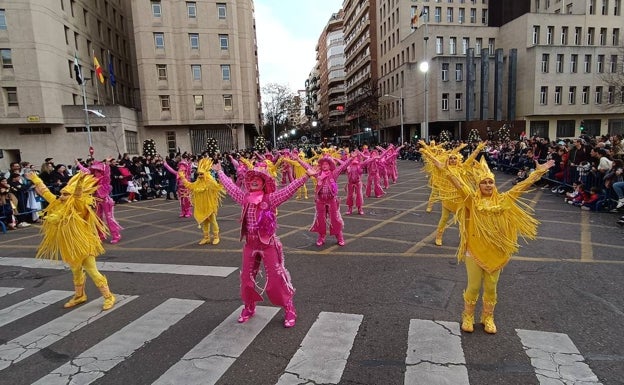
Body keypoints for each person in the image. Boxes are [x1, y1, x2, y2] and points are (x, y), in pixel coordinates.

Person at [426, 152, 554, 334]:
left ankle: (488, 317)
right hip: (475, 249)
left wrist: (537, 173)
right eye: (484, 182)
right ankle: (468, 316)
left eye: (490, 182)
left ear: (494, 184)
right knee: (474, 286)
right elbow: (458, 183)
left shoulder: (504, 199)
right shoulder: (472, 200)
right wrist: (446, 170)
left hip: (497, 251)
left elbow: (523, 186)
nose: (487, 185)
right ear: (478, 185)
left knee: (491, 287)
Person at [213, 160, 317, 328]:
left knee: (276, 279)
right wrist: (220, 172)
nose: (254, 181)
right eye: (252, 179)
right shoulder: (245, 198)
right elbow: (231, 188)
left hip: (267, 244)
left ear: (263, 183)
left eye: (258, 179)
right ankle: (249, 307)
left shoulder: (271, 198)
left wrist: (305, 175)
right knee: (246, 278)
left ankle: (289, 308)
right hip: (250, 245)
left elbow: (288, 190)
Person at [24, 170, 116, 310]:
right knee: (76, 271)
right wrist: (35, 179)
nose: (62, 196)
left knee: (92, 271)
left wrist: (80, 181)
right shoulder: (57, 203)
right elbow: (44, 192)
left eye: (66, 194)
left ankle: (109, 297)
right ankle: (80, 296)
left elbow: (78, 194)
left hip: (83, 244)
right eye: (61, 193)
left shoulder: (78, 204)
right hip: (69, 245)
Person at [298, 154, 353, 246]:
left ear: (330, 165)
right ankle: (321, 237)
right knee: (320, 220)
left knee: (335, 219)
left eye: (326, 164)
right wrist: (298, 160)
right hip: (321, 201)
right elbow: (308, 167)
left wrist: (351, 158)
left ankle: (339, 237)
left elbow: (343, 166)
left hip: (332, 201)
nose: (324, 166)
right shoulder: (318, 174)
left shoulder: (334, 173)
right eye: (323, 164)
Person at [177, 158, 225, 245]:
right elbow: (190, 186)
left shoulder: (210, 181)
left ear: (206, 173)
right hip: (201, 206)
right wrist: (183, 177)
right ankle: (206, 237)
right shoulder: (198, 182)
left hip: (209, 205)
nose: (199, 176)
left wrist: (221, 178)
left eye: (201, 174)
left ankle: (216, 237)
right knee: (204, 222)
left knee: (213, 221)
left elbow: (218, 187)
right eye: (198, 174)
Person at [76, 159, 123, 244]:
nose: (96, 172)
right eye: (95, 170)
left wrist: (107, 164)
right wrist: (78, 164)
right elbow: (86, 171)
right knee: (98, 219)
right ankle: (101, 235)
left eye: (98, 171)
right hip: (96, 201)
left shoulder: (105, 179)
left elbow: (107, 172)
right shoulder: (92, 178)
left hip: (105, 200)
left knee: (109, 218)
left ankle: (116, 235)